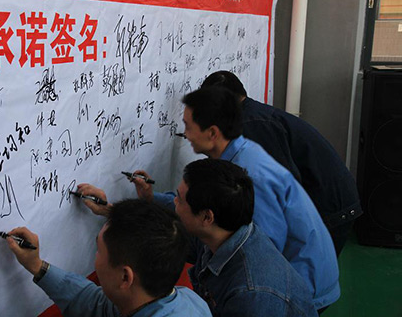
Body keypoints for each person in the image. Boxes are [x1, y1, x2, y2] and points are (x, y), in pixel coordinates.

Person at [130, 87, 339, 311]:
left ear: (212, 133)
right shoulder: (234, 158)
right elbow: (195, 202)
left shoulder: (249, 175)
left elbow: (266, 250)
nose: (186, 134)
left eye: (189, 126)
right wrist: (151, 198)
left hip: (297, 282)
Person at [81, 160, 318, 316]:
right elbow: (161, 235)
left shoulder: (252, 294)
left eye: (179, 199)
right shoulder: (224, 233)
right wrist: (111, 210)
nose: (173, 202)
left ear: (207, 216)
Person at [200, 70, 361, 255]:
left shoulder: (251, 125)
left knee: (303, 269)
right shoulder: (250, 115)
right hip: (330, 198)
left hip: (330, 206)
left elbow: (279, 186)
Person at [5, 199, 212, 317]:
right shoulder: (185, 299)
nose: (95, 259)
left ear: (125, 277)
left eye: (98, 251)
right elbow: (96, 304)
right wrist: (37, 266)